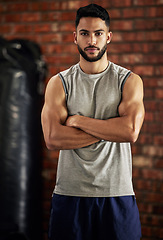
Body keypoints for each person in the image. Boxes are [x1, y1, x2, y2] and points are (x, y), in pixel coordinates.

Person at [41, 4, 145, 240]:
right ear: (74, 36)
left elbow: (129, 131)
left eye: (98, 33)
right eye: (85, 33)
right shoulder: (59, 83)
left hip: (117, 194)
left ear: (108, 37)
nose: (92, 40)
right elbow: (53, 138)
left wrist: (77, 121)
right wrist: (111, 128)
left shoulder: (129, 81)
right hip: (70, 194)